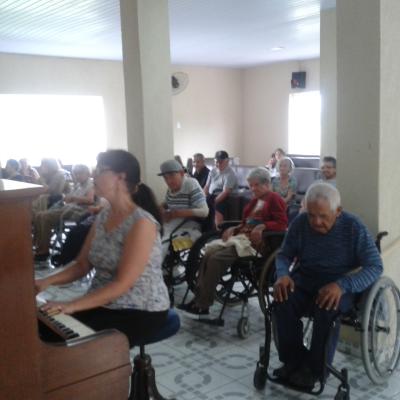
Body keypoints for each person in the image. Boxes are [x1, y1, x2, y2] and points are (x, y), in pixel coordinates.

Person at [35, 149, 170, 347]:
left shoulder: (142, 223)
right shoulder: (103, 216)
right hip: (103, 300)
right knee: (42, 326)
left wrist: (71, 305)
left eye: (99, 170)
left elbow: (122, 284)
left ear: (120, 177)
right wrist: (45, 281)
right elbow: (82, 265)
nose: (93, 175)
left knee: (64, 340)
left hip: (139, 309)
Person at [272, 182, 382, 388]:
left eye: (323, 216)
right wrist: (283, 274)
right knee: (282, 302)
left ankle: (315, 370)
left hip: (341, 284)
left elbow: (375, 266)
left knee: (326, 309)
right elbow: (284, 255)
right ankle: (293, 361)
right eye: (311, 215)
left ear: (338, 211)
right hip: (306, 279)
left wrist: (342, 285)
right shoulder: (300, 222)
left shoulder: (353, 227)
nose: (316, 222)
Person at [180, 167, 288, 317]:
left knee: (216, 259)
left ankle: (203, 304)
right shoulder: (256, 200)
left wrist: (263, 226)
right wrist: (234, 228)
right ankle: (198, 298)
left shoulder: (274, 198)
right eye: (251, 185)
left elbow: (282, 224)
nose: (252, 188)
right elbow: (246, 222)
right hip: (242, 239)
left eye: (256, 185)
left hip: (257, 244)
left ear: (266, 184)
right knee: (208, 254)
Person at [33, 164, 95, 262]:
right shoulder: (78, 185)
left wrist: (73, 198)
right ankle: (39, 246)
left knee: (44, 217)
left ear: (88, 173)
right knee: (38, 215)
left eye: (80, 173)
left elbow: (90, 200)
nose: (78, 176)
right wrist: (67, 198)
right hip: (69, 208)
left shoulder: (91, 184)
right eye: (76, 174)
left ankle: (44, 251)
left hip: (78, 211)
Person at [158, 159, 208, 259]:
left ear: (181, 173)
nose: (169, 181)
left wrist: (177, 214)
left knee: (160, 242)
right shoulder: (171, 188)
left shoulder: (190, 184)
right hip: (172, 224)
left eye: (172, 176)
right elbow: (167, 203)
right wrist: (161, 208)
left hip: (189, 226)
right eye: (165, 178)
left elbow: (204, 211)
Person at [204, 150, 238, 227]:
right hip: (211, 196)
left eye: (221, 162)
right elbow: (206, 186)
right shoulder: (213, 171)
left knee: (217, 207)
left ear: (227, 161)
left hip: (222, 197)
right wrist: (203, 198)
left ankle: (218, 229)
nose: (218, 164)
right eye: (216, 162)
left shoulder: (230, 174)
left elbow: (225, 192)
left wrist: (212, 203)